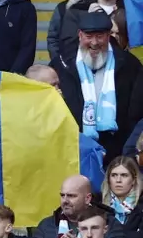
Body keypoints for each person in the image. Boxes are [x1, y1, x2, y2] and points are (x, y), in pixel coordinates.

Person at [52, 11, 143, 161]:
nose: (94, 43)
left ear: (108, 36)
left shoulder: (129, 65)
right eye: (89, 36)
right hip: (73, 149)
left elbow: (136, 111)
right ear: (80, 35)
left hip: (117, 150)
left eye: (100, 36)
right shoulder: (62, 64)